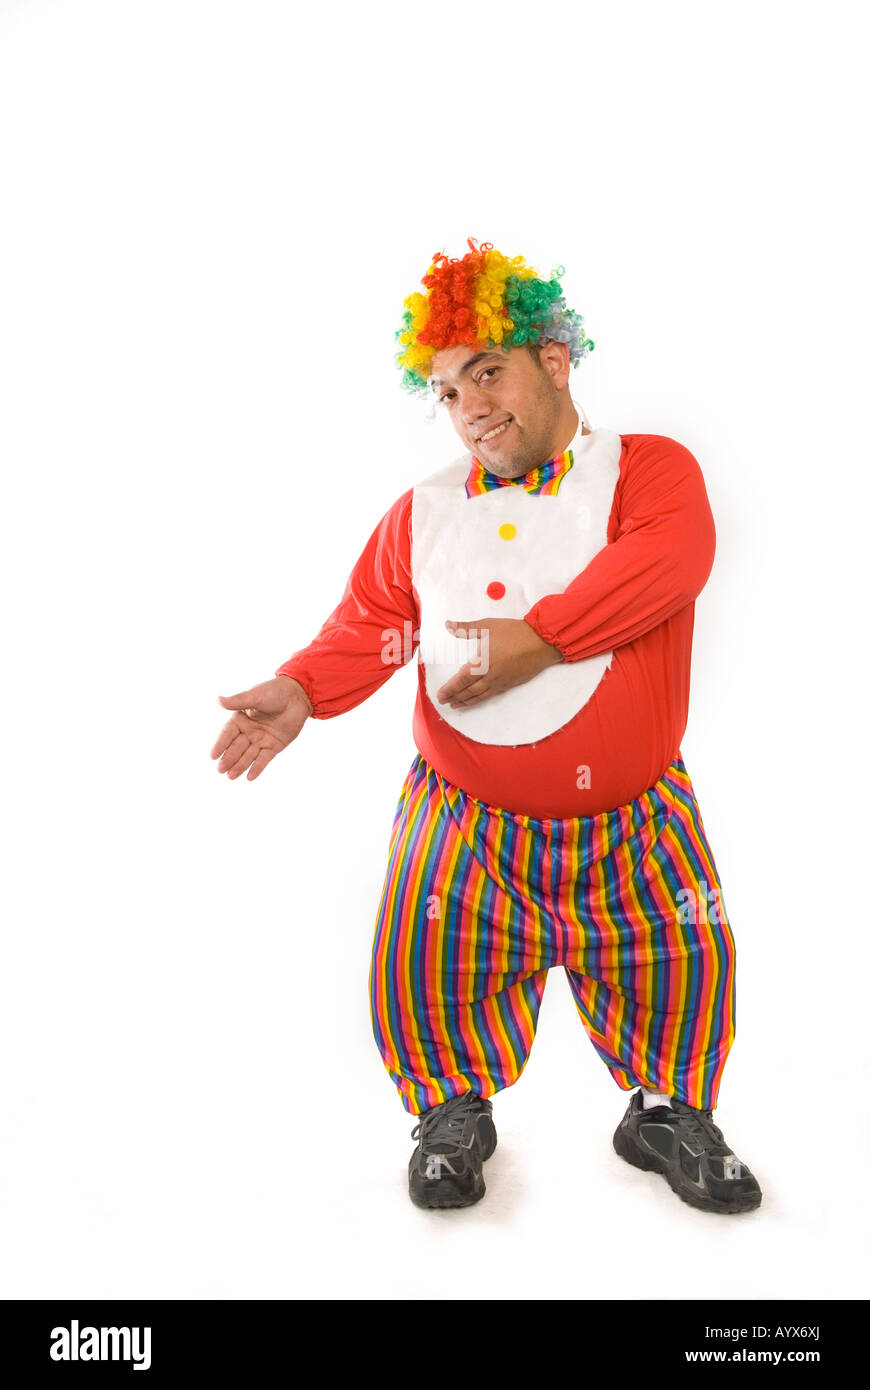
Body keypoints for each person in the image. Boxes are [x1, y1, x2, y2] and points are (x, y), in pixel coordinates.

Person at [210, 237, 762, 1216]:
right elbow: (376, 624)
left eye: (487, 370)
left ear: (554, 358)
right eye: (446, 387)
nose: (467, 405)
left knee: (681, 956)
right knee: (423, 959)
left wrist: (536, 641)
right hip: (463, 816)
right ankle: (451, 1113)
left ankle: (667, 1110)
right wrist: (304, 687)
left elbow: (668, 564)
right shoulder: (421, 513)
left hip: (637, 812)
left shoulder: (651, 472)